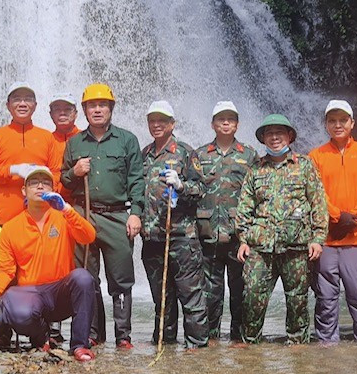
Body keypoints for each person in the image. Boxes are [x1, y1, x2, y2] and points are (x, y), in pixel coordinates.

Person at [0, 166, 97, 362]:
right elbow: (6, 271)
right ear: (24, 191)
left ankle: (79, 346)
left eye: (46, 183)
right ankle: (41, 337)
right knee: (17, 309)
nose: (40, 186)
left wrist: (67, 209)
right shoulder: (10, 228)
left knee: (83, 277)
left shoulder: (64, 216)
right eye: (34, 183)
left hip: (60, 293)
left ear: (53, 189)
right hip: (30, 293)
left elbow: (88, 236)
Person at [61, 83, 145, 349]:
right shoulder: (74, 143)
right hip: (84, 215)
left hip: (117, 215)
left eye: (102, 105)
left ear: (111, 108)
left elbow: (137, 180)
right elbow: (64, 180)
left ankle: (123, 336)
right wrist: (75, 172)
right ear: (84, 110)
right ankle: (92, 333)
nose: (97, 110)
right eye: (92, 105)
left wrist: (136, 213)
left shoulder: (127, 140)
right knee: (87, 278)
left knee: (121, 278)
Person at [235, 114, 326, 345]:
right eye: (269, 133)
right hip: (260, 247)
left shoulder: (304, 165)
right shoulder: (255, 169)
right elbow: (245, 207)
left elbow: (318, 203)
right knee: (252, 297)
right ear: (263, 139)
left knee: (297, 301)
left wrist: (317, 238)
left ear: (289, 136)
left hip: (296, 247)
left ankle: (298, 348)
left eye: (279, 133)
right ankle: (250, 347)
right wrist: (243, 239)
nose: (274, 137)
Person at [308, 100, 357, 345]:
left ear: (352, 123)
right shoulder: (315, 156)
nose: (337, 125)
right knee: (325, 300)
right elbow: (316, 193)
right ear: (326, 125)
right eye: (332, 121)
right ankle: (327, 348)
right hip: (327, 240)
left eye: (342, 120)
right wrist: (337, 217)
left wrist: (352, 219)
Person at [140, 100, 209, 348]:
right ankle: (165, 346)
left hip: (181, 237)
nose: (156, 125)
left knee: (191, 296)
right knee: (162, 299)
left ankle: (196, 347)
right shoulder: (144, 154)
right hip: (153, 238)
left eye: (162, 120)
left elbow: (201, 189)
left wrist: (181, 186)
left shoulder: (185, 152)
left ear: (172, 124)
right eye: (152, 120)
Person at [191, 101, 256, 343]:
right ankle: (212, 339)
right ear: (213, 124)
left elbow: (257, 194)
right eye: (221, 118)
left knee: (240, 292)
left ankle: (239, 340)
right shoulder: (199, 155)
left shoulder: (249, 155)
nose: (226, 122)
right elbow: (193, 189)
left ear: (237, 124)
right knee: (210, 294)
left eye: (230, 119)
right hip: (208, 235)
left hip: (239, 237)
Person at [0, 82, 62, 224]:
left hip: (40, 215)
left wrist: (43, 182)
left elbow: (56, 173)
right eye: (17, 99)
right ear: (8, 105)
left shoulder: (47, 136)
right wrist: (12, 170)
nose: (22, 104)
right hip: (4, 216)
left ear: (35, 105)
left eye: (28, 99)